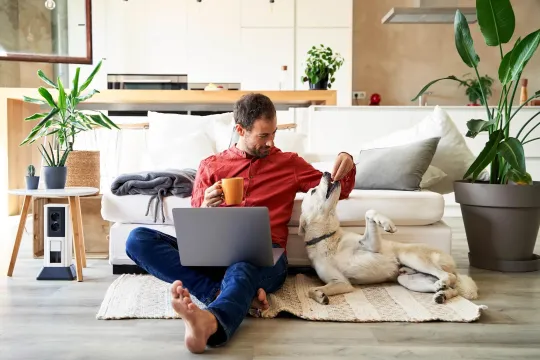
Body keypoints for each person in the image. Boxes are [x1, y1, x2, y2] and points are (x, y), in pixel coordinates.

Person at [125, 93, 357, 353]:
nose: (270, 142)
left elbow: (337, 189)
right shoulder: (211, 166)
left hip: (266, 257)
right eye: (262, 136)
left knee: (241, 267)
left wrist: (347, 160)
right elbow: (194, 226)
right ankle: (218, 292)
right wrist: (204, 206)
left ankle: (211, 322)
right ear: (240, 130)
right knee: (138, 239)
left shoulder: (289, 163)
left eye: (273, 134)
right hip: (214, 254)